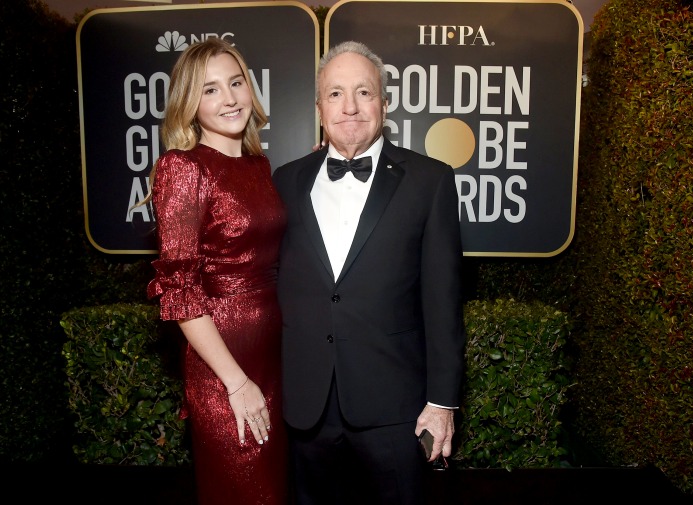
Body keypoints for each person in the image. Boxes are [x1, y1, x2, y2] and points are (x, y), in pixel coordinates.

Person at [272, 41, 466, 505]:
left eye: (364, 91)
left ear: (384, 101)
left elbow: (444, 305)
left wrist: (442, 404)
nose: (351, 107)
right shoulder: (285, 180)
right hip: (306, 406)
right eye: (336, 94)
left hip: (396, 409)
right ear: (319, 107)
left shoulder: (430, 180)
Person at [146, 38, 287, 505]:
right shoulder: (183, 169)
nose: (229, 99)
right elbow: (181, 293)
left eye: (235, 82)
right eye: (209, 90)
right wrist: (237, 382)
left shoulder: (260, 165)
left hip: (273, 358)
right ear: (189, 103)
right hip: (224, 366)